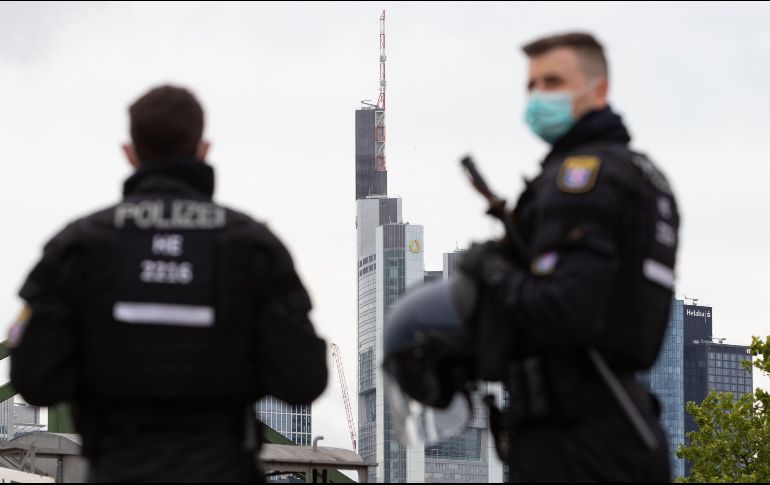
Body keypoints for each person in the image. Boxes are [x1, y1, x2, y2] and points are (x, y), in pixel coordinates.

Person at [384, 32, 679, 482]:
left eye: (554, 81)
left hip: (573, 440)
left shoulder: (582, 180)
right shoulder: (641, 175)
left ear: (598, 89)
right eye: (532, 84)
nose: (539, 96)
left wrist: (493, 269)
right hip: (618, 424)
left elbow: (566, 308)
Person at [8, 85, 328, 482]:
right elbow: (304, 379)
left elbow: (34, 380)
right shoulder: (254, 249)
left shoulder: (77, 248)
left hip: (117, 469)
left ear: (130, 153)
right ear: (203, 150)